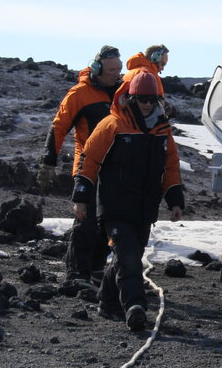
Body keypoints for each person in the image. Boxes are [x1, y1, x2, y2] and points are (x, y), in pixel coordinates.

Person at [71, 71, 184, 331]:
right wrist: (81, 198)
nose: (145, 104)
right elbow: (89, 160)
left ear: (157, 99)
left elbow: (171, 167)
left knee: (129, 256)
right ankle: (135, 306)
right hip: (114, 205)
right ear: (131, 97)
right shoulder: (113, 124)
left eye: (150, 99)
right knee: (128, 255)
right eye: (141, 99)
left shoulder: (162, 131)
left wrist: (175, 200)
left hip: (145, 207)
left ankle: (107, 303)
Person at [39, 45, 122, 281]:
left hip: (116, 168)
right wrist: (48, 162)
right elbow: (58, 127)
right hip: (88, 166)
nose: (115, 74)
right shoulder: (79, 94)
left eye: (118, 69)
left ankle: (96, 269)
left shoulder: (122, 91)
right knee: (86, 222)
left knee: (109, 221)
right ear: (97, 68)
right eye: (110, 70)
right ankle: (76, 274)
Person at [124, 44, 173, 117]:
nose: (162, 68)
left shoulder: (129, 73)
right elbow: (159, 107)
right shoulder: (151, 75)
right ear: (156, 58)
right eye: (162, 64)